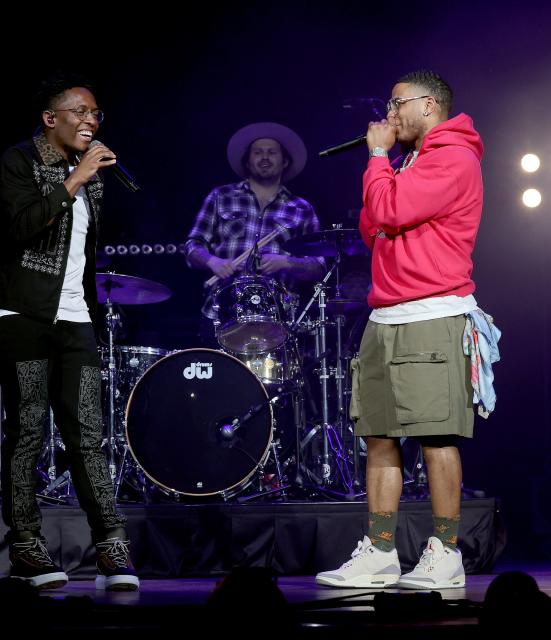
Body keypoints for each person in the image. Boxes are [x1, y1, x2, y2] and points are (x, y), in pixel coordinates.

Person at [316, 70, 494, 589]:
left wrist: (376, 159)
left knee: (436, 437)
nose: (389, 115)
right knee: (378, 436)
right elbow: (373, 227)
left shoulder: (454, 157)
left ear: (429, 105)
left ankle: (445, 551)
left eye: (396, 104)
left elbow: (388, 207)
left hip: (432, 314)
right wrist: (385, 171)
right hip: (386, 314)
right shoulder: (410, 161)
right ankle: (380, 550)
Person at [0, 71, 138, 591]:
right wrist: (74, 177)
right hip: (23, 316)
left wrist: (84, 176)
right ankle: (27, 546)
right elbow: (22, 226)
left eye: (96, 114)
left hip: (76, 318)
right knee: (29, 431)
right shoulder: (20, 162)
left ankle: (111, 545)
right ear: (50, 119)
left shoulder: (94, 176)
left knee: (88, 436)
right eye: (80, 112)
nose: (91, 121)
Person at [184, 122, 325, 331]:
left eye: (272, 152)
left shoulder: (301, 208)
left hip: (278, 317)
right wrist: (213, 261)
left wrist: (285, 262)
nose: (265, 157)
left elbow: (319, 266)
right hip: (221, 312)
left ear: (285, 160)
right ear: (248, 162)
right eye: (257, 152)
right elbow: (192, 246)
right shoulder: (220, 197)